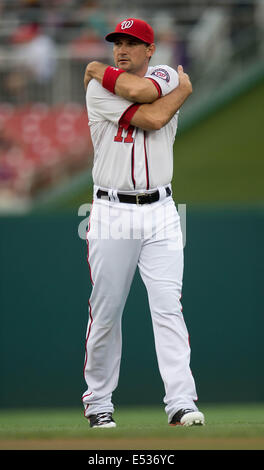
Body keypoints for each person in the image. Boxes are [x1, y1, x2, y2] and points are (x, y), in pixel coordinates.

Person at [82, 18, 205, 428]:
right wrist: (182, 93)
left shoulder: (167, 75)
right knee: (107, 310)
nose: (122, 48)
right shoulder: (98, 89)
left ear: (150, 50)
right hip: (112, 208)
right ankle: (98, 402)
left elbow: (147, 95)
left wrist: (177, 89)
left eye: (132, 43)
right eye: (117, 42)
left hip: (162, 209)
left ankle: (182, 402)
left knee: (169, 307)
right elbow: (151, 116)